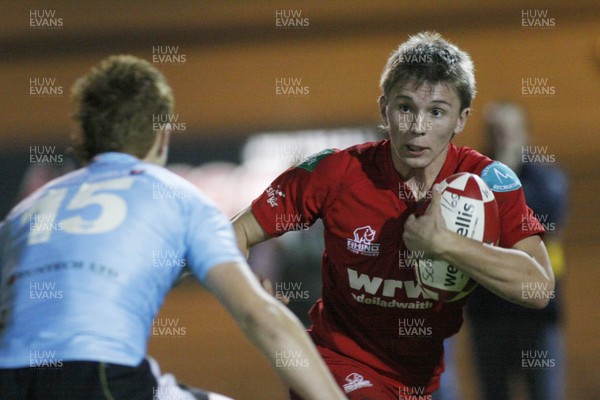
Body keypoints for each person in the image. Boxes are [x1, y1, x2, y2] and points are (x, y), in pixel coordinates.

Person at [0, 55, 346, 400]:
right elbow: (259, 317)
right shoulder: (177, 196)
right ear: (164, 137)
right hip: (101, 377)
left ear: (80, 139)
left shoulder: (23, 214)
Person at [232, 32, 555, 399]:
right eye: (405, 107)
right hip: (335, 366)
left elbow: (539, 287)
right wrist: (245, 283)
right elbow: (235, 232)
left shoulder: (488, 183)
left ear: (461, 119)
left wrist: (445, 244)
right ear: (384, 107)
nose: (417, 127)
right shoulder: (336, 173)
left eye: (436, 112)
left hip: (420, 381)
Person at [466, 101, 568, 400]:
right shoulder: (472, 180)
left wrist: (507, 174)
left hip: (537, 315)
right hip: (487, 313)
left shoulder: (547, 180)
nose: (503, 140)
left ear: (526, 135)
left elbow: (541, 221)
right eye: (496, 132)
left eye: (509, 132)